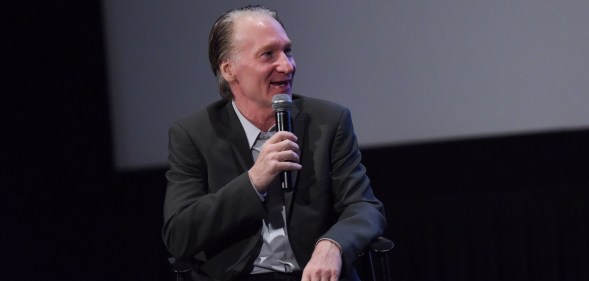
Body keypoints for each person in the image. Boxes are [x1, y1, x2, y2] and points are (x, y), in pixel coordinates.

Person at [162, 5, 387, 281]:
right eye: (268, 54)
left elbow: (365, 207)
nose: (287, 65)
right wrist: (254, 181)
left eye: (287, 51)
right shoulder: (193, 134)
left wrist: (334, 243)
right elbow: (179, 235)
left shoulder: (328, 121)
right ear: (229, 69)